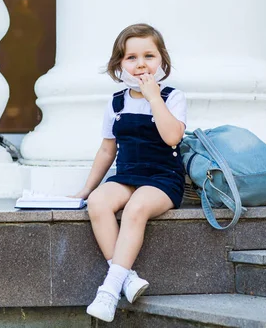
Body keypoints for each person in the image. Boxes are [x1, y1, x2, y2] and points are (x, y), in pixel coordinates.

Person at [72, 23, 187, 322]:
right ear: (119, 64)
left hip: (162, 178)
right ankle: (127, 278)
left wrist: (153, 98)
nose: (140, 64)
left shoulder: (172, 97)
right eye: (131, 58)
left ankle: (108, 292)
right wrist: (86, 189)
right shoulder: (116, 102)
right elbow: (107, 151)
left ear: (161, 60)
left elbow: (173, 136)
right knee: (97, 202)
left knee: (137, 208)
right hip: (127, 176)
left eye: (148, 56)